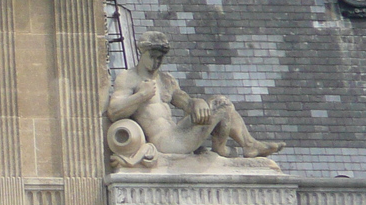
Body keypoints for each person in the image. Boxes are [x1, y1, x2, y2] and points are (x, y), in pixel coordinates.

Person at [106, 31, 283, 159]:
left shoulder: (166, 80)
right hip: (165, 143)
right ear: (142, 53)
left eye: (160, 57)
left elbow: (184, 101)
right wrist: (141, 96)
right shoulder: (129, 78)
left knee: (218, 102)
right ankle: (226, 148)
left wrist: (196, 102)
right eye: (153, 56)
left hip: (177, 133)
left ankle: (247, 145)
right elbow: (114, 111)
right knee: (222, 104)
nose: (156, 61)